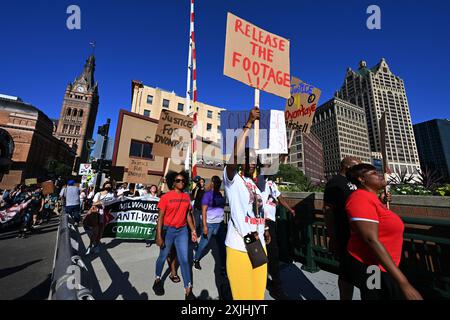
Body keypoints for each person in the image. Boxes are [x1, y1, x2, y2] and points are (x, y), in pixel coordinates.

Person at [343, 163, 423, 300]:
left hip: (388, 264)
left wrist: (380, 201)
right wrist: (404, 284)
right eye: (374, 173)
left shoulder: (372, 198)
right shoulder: (359, 199)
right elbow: (371, 240)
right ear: (361, 179)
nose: (380, 175)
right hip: (372, 267)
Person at [223, 106, 270, 300]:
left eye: (254, 160)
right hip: (239, 247)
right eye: (247, 159)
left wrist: (265, 228)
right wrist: (249, 124)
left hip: (259, 246)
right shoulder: (232, 180)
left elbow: (259, 209)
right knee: (243, 300)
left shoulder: (255, 184)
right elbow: (233, 158)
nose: (252, 162)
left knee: (258, 297)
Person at [153, 170, 198, 300]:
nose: (181, 183)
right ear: (173, 182)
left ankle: (188, 290)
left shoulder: (186, 197)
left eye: (183, 180)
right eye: (178, 180)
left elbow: (188, 215)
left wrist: (193, 230)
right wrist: (159, 236)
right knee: (162, 256)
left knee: (184, 260)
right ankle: (157, 280)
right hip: (168, 230)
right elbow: (160, 217)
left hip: (182, 231)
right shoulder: (165, 197)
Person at [323, 156, 361, 300]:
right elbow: (328, 210)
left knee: (372, 269)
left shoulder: (356, 182)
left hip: (363, 235)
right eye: (357, 167)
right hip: (345, 235)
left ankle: (372, 295)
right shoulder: (335, 183)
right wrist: (333, 238)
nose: (359, 170)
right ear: (347, 167)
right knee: (346, 272)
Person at [257, 168, 295, 300]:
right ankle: (276, 287)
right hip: (263, 221)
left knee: (271, 253)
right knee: (271, 253)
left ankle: (271, 282)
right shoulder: (261, 179)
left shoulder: (272, 184)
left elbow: (280, 197)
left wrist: (289, 208)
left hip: (271, 222)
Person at [193, 175, 227, 274]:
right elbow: (203, 211)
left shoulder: (220, 194)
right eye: (215, 182)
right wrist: (205, 226)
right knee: (204, 244)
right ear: (212, 183)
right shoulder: (207, 194)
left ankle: (223, 267)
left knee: (222, 246)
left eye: (219, 182)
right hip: (210, 224)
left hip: (220, 224)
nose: (217, 184)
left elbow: (221, 207)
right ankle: (196, 260)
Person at [90, 181, 117, 254]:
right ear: (104, 186)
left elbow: (116, 201)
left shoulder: (112, 194)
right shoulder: (98, 194)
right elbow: (94, 203)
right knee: (95, 231)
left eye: (110, 185)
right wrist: (101, 202)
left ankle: (96, 245)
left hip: (106, 214)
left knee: (101, 231)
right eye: (107, 185)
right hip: (97, 213)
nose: (108, 186)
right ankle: (91, 245)